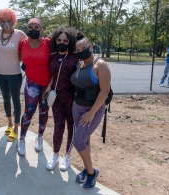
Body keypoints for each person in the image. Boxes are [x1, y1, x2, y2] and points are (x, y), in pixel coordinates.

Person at [70, 36, 111, 189]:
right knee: (84, 140)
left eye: (84, 48)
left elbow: (105, 91)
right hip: (77, 107)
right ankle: (87, 169)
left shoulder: (100, 65)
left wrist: (92, 113)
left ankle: (92, 172)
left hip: (92, 110)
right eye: (78, 50)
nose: (81, 51)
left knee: (78, 140)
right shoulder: (79, 64)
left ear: (91, 46)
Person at [45, 28, 79, 171]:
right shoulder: (52, 56)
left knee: (72, 127)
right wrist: (47, 90)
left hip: (72, 98)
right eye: (59, 40)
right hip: (57, 98)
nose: (62, 43)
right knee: (58, 127)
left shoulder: (75, 57)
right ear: (55, 41)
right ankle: (55, 155)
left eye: (65, 40)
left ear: (69, 42)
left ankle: (67, 155)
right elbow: (52, 75)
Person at [17, 18, 51, 156]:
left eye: (36, 26)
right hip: (32, 83)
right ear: (28, 29)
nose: (33, 29)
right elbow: (19, 59)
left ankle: (40, 137)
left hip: (48, 85)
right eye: (30, 27)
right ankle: (22, 139)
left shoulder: (48, 43)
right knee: (29, 111)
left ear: (41, 29)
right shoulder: (22, 44)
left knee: (44, 112)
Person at [0, 8, 27, 142]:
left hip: (14, 74)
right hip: (0, 74)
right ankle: (9, 124)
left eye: (8, 20)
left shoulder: (20, 34)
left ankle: (16, 129)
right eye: (3, 20)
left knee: (16, 101)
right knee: (5, 99)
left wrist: (19, 60)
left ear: (13, 21)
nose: (5, 23)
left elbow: (26, 50)